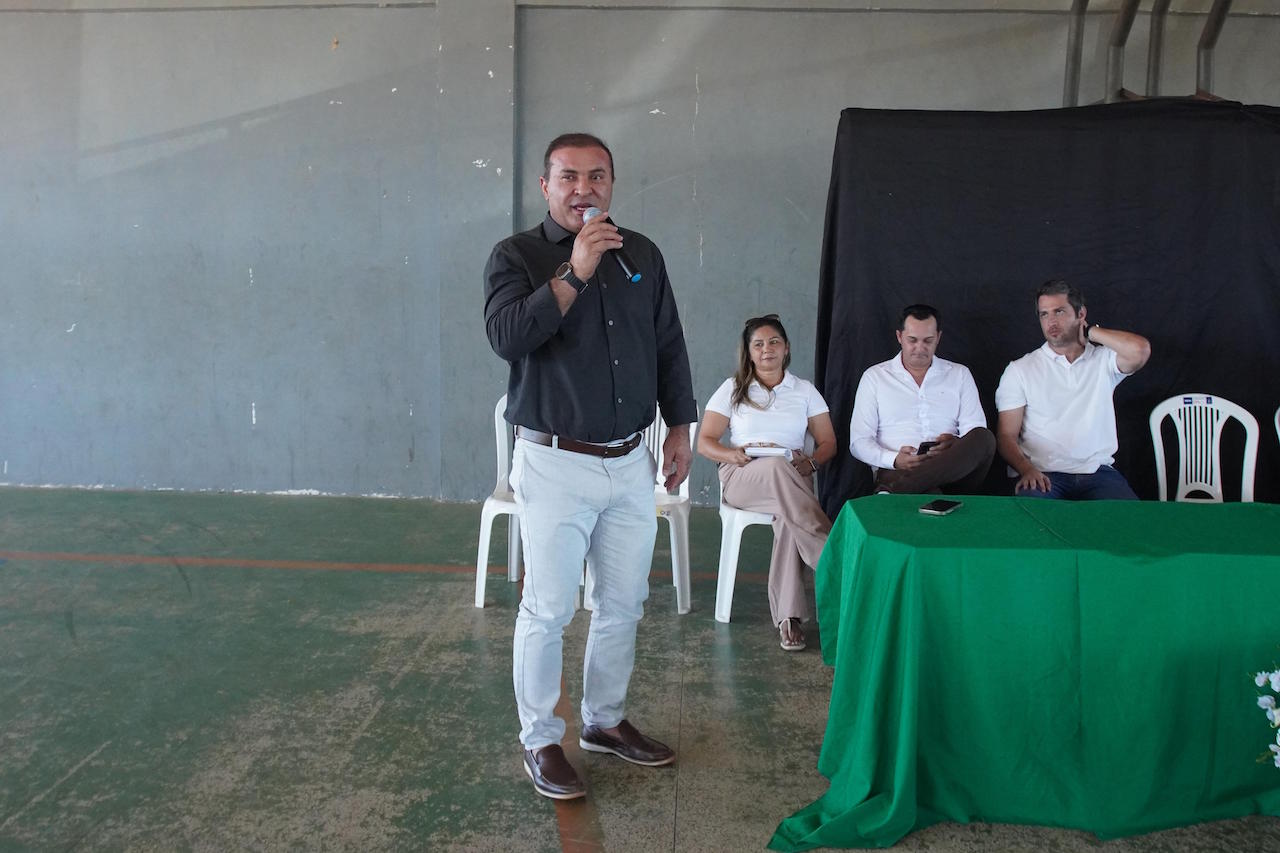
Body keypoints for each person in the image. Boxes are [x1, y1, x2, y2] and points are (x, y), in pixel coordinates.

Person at [483, 132, 697, 801]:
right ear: (545, 185)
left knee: (622, 603)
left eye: (597, 176)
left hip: (630, 460)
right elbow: (508, 337)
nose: (585, 188)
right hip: (552, 463)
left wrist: (681, 424)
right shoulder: (515, 256)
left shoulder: (643, 254)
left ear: (612, 183)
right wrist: (573, 271)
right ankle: (541, 738)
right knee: (547, 609)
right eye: (569, 176)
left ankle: (604, 722)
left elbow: (668, 342)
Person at [696, 314, 836, 653]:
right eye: (758, 344)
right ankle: (833, 553)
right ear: (749, 352)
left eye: (774, 342)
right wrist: (733, 455)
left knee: (789, 517)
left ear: (786, 348)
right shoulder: (733, 388)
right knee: (775, 467)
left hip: (792, 478)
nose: (767, 349)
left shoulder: (804, 391)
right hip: (743, 477)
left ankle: (789, 619)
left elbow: (828, 442)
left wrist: (812, 460)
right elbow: (706, 442)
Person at [995, 279, 1151, 499]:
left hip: (1098, 473)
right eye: (1044, 314)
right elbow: (1006, 435)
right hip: (1042, 474)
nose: (1051, 321)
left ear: (1081, 313)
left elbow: (1140, 350)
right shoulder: (1020, 369)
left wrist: (1091, 333)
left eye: (1059, 311)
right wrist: (1026, 469)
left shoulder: (1103, 360)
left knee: (1129, 524)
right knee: (1033, 525)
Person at [848, 304, 995, 494]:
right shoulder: (875, 377)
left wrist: (956, 443)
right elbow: (859, 442)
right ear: (899, 337)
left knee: (984, 438)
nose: (920, 348)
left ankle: (894, 492)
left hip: (954, 470)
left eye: (928, 341)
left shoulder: (959, 374)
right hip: (897, 470)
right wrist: (894, 459)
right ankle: (912, 487)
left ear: (938, 338)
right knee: (931, 496)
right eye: (912, 340)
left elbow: (974, 430)